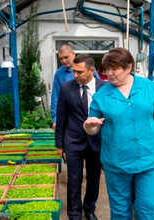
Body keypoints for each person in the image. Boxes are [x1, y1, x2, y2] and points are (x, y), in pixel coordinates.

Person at [83, 48, 154, 220]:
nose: (108, 74)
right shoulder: (102, 95)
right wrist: (89, 126)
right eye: (106, 69)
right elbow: (93, 127)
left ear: (128, 67)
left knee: (148, 207)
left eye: (114, 69)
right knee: (120, 209)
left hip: (149, 160)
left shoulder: (148, 86)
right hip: (117, 162)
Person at [56, 54, 106, 220]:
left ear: (92, 70)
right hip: (73, 142)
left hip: (96, 142)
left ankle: (89, 209)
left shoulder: (104, 88)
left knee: (94, 179)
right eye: (73, 71)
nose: (75, 75)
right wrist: (59, 144)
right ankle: (74, 214)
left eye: (79, 72)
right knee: (74, 180)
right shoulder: (65, 88)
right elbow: (61, 117)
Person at [50, 44, 99, 131]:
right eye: (61, 58)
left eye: (66, 57)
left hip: (91, 114)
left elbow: (99, 89)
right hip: (72, 116)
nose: (64, 61)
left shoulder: (88, 68)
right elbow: (55, 98)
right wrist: (55, 119)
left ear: (73, 54)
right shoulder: (59, 74)